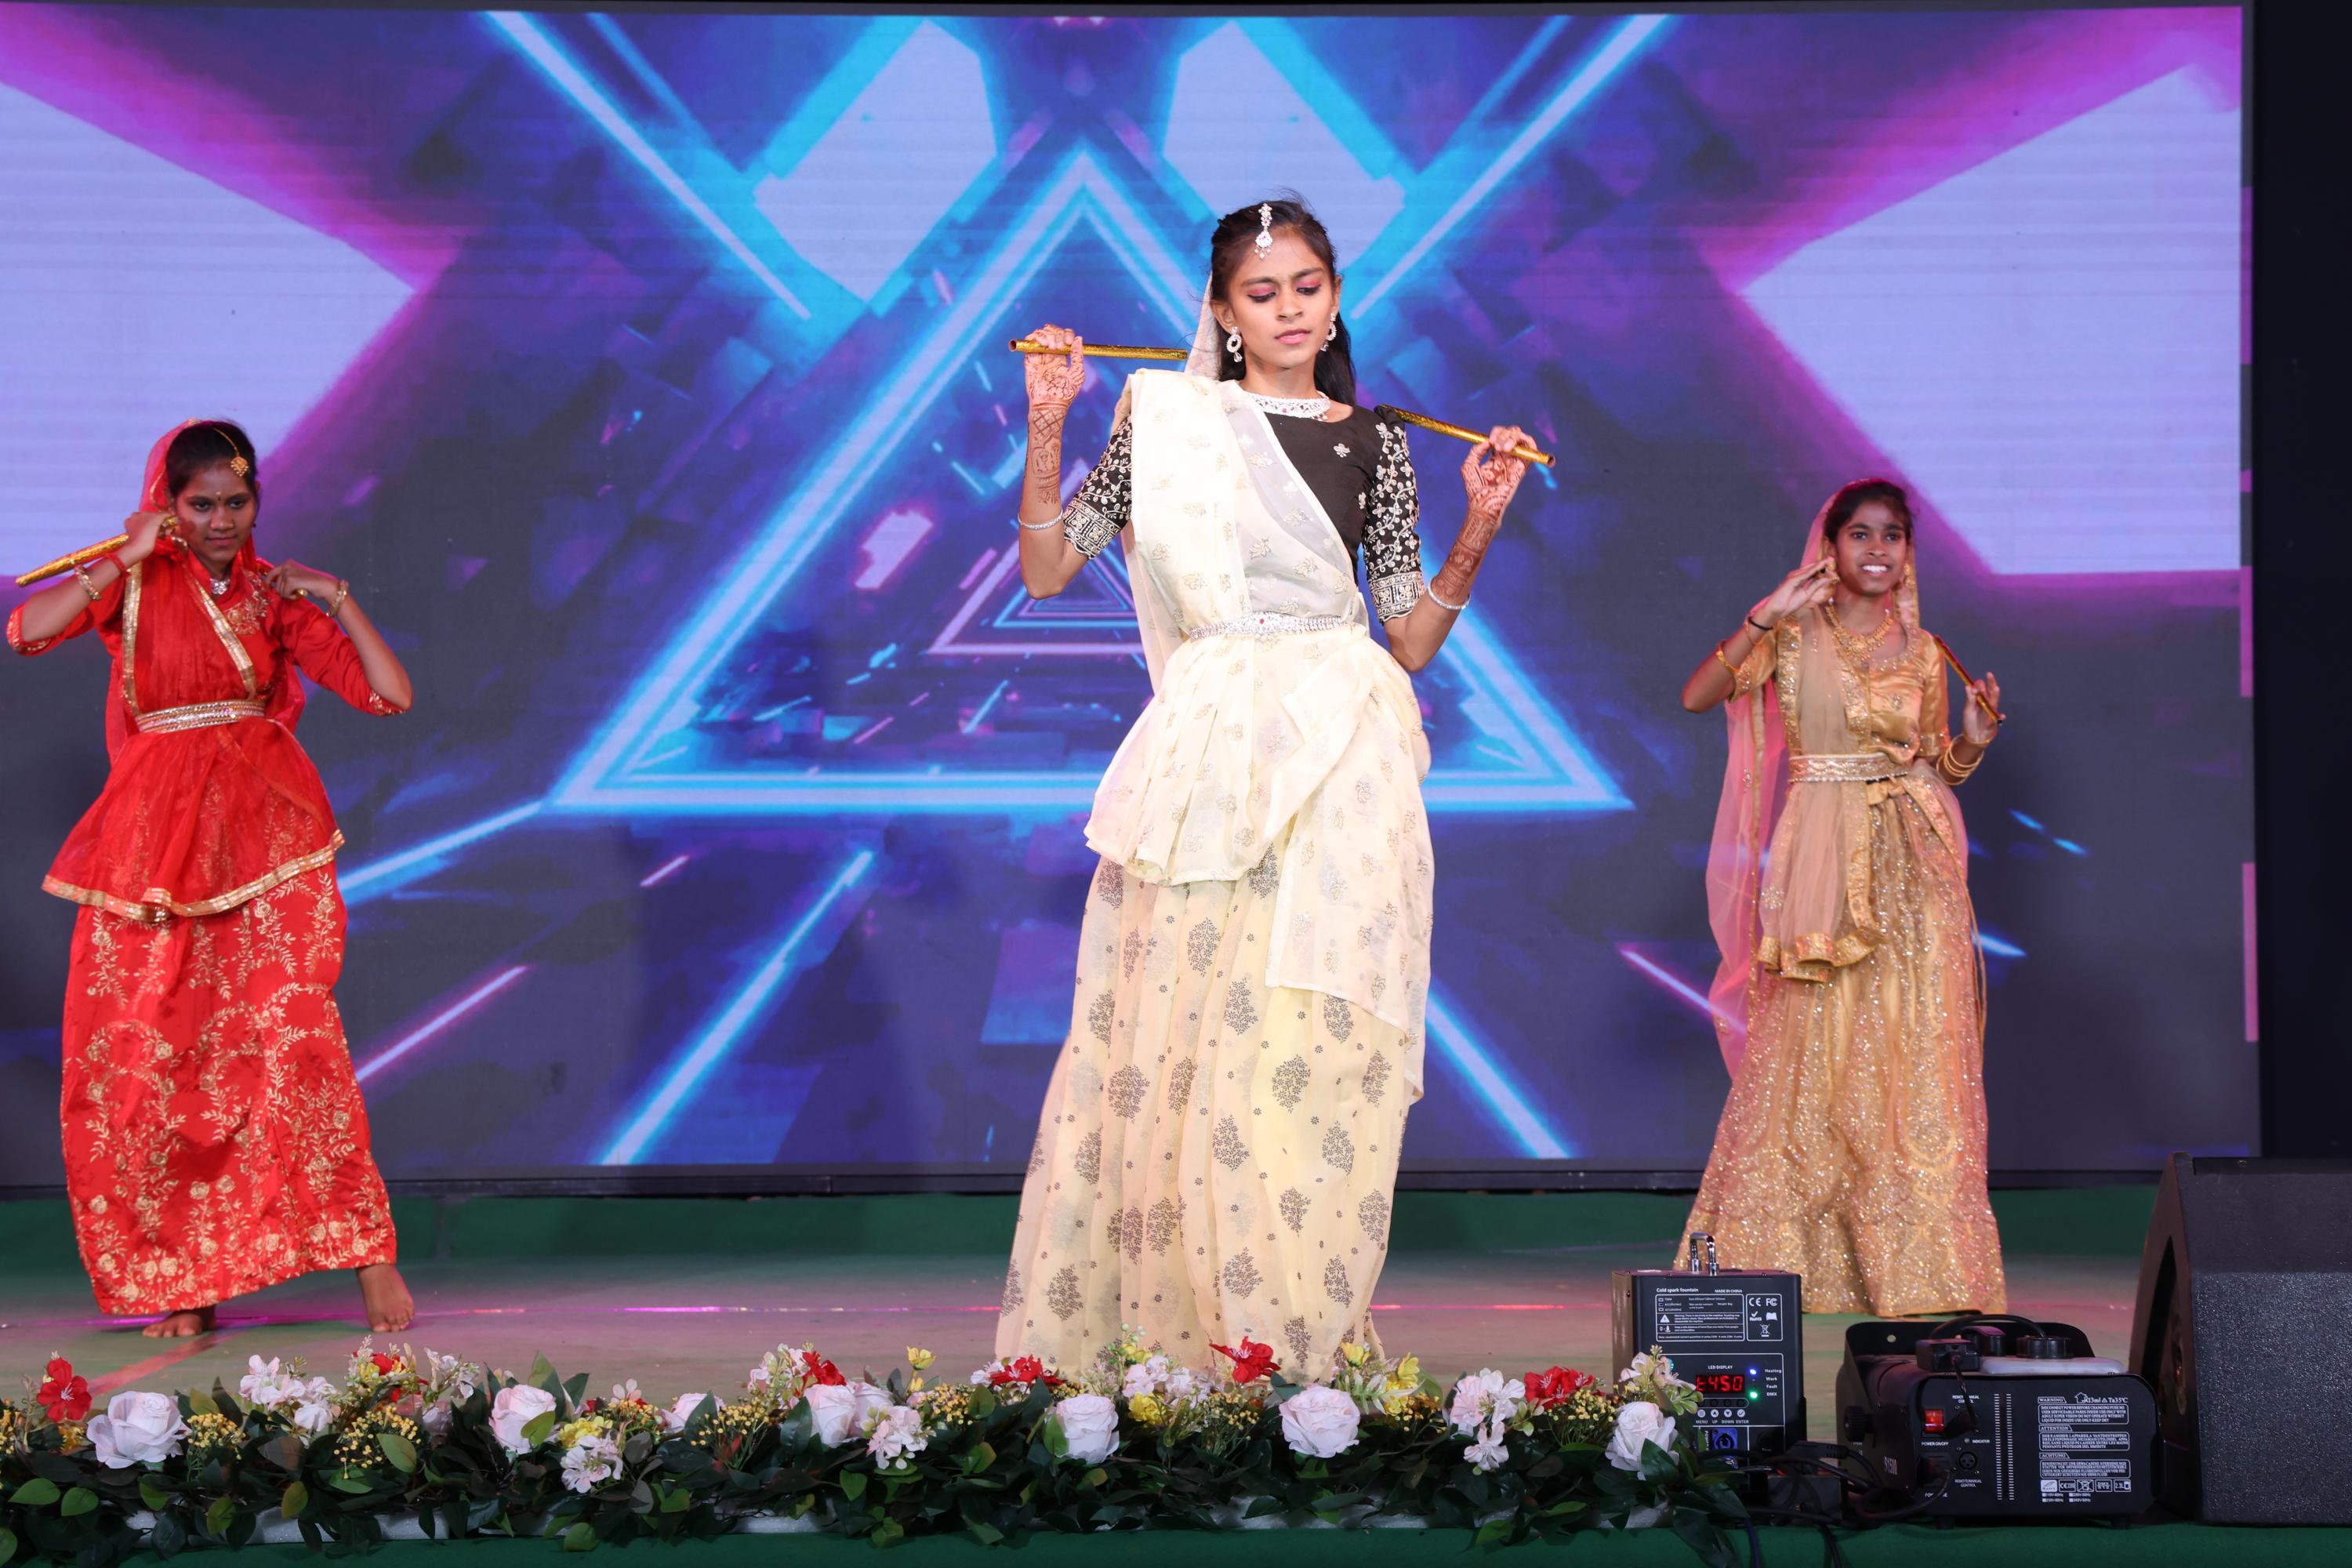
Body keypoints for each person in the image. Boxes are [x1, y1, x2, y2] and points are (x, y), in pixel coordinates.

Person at [996, 197, 1534, 1374]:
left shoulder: (1378, 440)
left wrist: (1481, 525)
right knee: (1192, 1040)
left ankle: (1297, 1338)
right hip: (1210, 762)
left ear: (1334, 299)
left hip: (1343, 758)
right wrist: (1050, 419)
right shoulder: (1169, 420)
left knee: (1313, 1040)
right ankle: (1190, 1346)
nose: (1290, 309)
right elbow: (1046, 567)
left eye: (1308, 286)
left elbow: (1408, 635)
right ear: (1224, 311)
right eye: (1262, 291)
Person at [8, 419, 415, 1338]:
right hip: (150, 850)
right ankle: (186, 1278)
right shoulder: (135, 581)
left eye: (236, 501)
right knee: (156, 1056)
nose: (221, 520)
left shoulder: (273, 594)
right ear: (169, 503)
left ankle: (368, 1251)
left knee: (294, 1038)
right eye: (201, 504)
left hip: (267, 840)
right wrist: (125, 556)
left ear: (256, 501)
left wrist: (337, 596)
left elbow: (389, 694)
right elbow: (28, 631)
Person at [1677, 479, 2006, 1316]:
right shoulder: (1792, 634)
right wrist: (1766, 612)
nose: (1877, 550)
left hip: (1916, 865)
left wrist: (1970, 742)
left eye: (1892, 535)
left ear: (1908, 551)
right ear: (1830, 546)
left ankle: (1921, 1269)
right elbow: (1698, 695)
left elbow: (1933, 764)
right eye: (1860, 533)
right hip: (1824, 861)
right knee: (1809, 1047)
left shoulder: (1924, 651)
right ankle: (1782, 1255)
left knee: (1912, 1050)